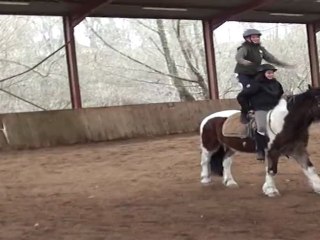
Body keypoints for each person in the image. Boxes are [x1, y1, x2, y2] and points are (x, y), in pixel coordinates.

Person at [234, 28, 293, 123]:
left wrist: (284, 64)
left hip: (255, 73)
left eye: (257, 37)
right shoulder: (244, 48)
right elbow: (238, 57)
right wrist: (245, 62)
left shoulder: (260, 49)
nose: (257, 38)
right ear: (247, 39)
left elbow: (270, 58)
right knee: (248, 90)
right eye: (254, 37)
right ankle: (245, 112)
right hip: (244, 74)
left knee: (262, 88)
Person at [237, 63, 284, 160]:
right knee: (262, 127)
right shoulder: (256, 85)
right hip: (260, 108)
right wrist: (248, 108)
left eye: (272, 73)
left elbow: (280, 95)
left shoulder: (277, 84)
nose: (271, 75)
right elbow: (242, 96)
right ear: (263, 74)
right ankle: (260, 150)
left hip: (275, 108)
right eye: (269, 73)